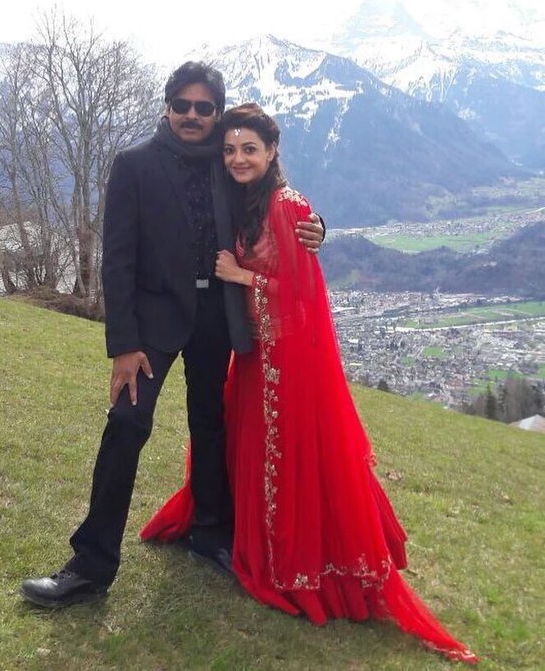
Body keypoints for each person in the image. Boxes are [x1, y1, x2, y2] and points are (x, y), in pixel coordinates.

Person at [140, 104, 479, 664]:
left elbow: (300, 297)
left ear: (272, 151)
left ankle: (300, 559)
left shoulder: (287, 205)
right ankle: (240, 533)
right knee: (249, 448)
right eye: (231, 150)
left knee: (290, 456)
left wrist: (241, 275)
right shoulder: (244, 199)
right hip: (257, 356)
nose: (238, 159)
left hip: (288, 359)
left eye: (250, 149)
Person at [19, 65, 324, 608]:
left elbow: (271, 197)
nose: (191, 115)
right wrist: (122, 344)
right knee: (126, 423)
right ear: (167, 107)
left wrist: (316, 224)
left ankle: (210, 534)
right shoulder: (134, 164)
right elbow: (117, 258)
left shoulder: (227, 162)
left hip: (217, 317)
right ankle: (90, 566)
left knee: (211, 424)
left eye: (203, 108)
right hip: (152, 324)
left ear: (216, 114)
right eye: (182, 104)